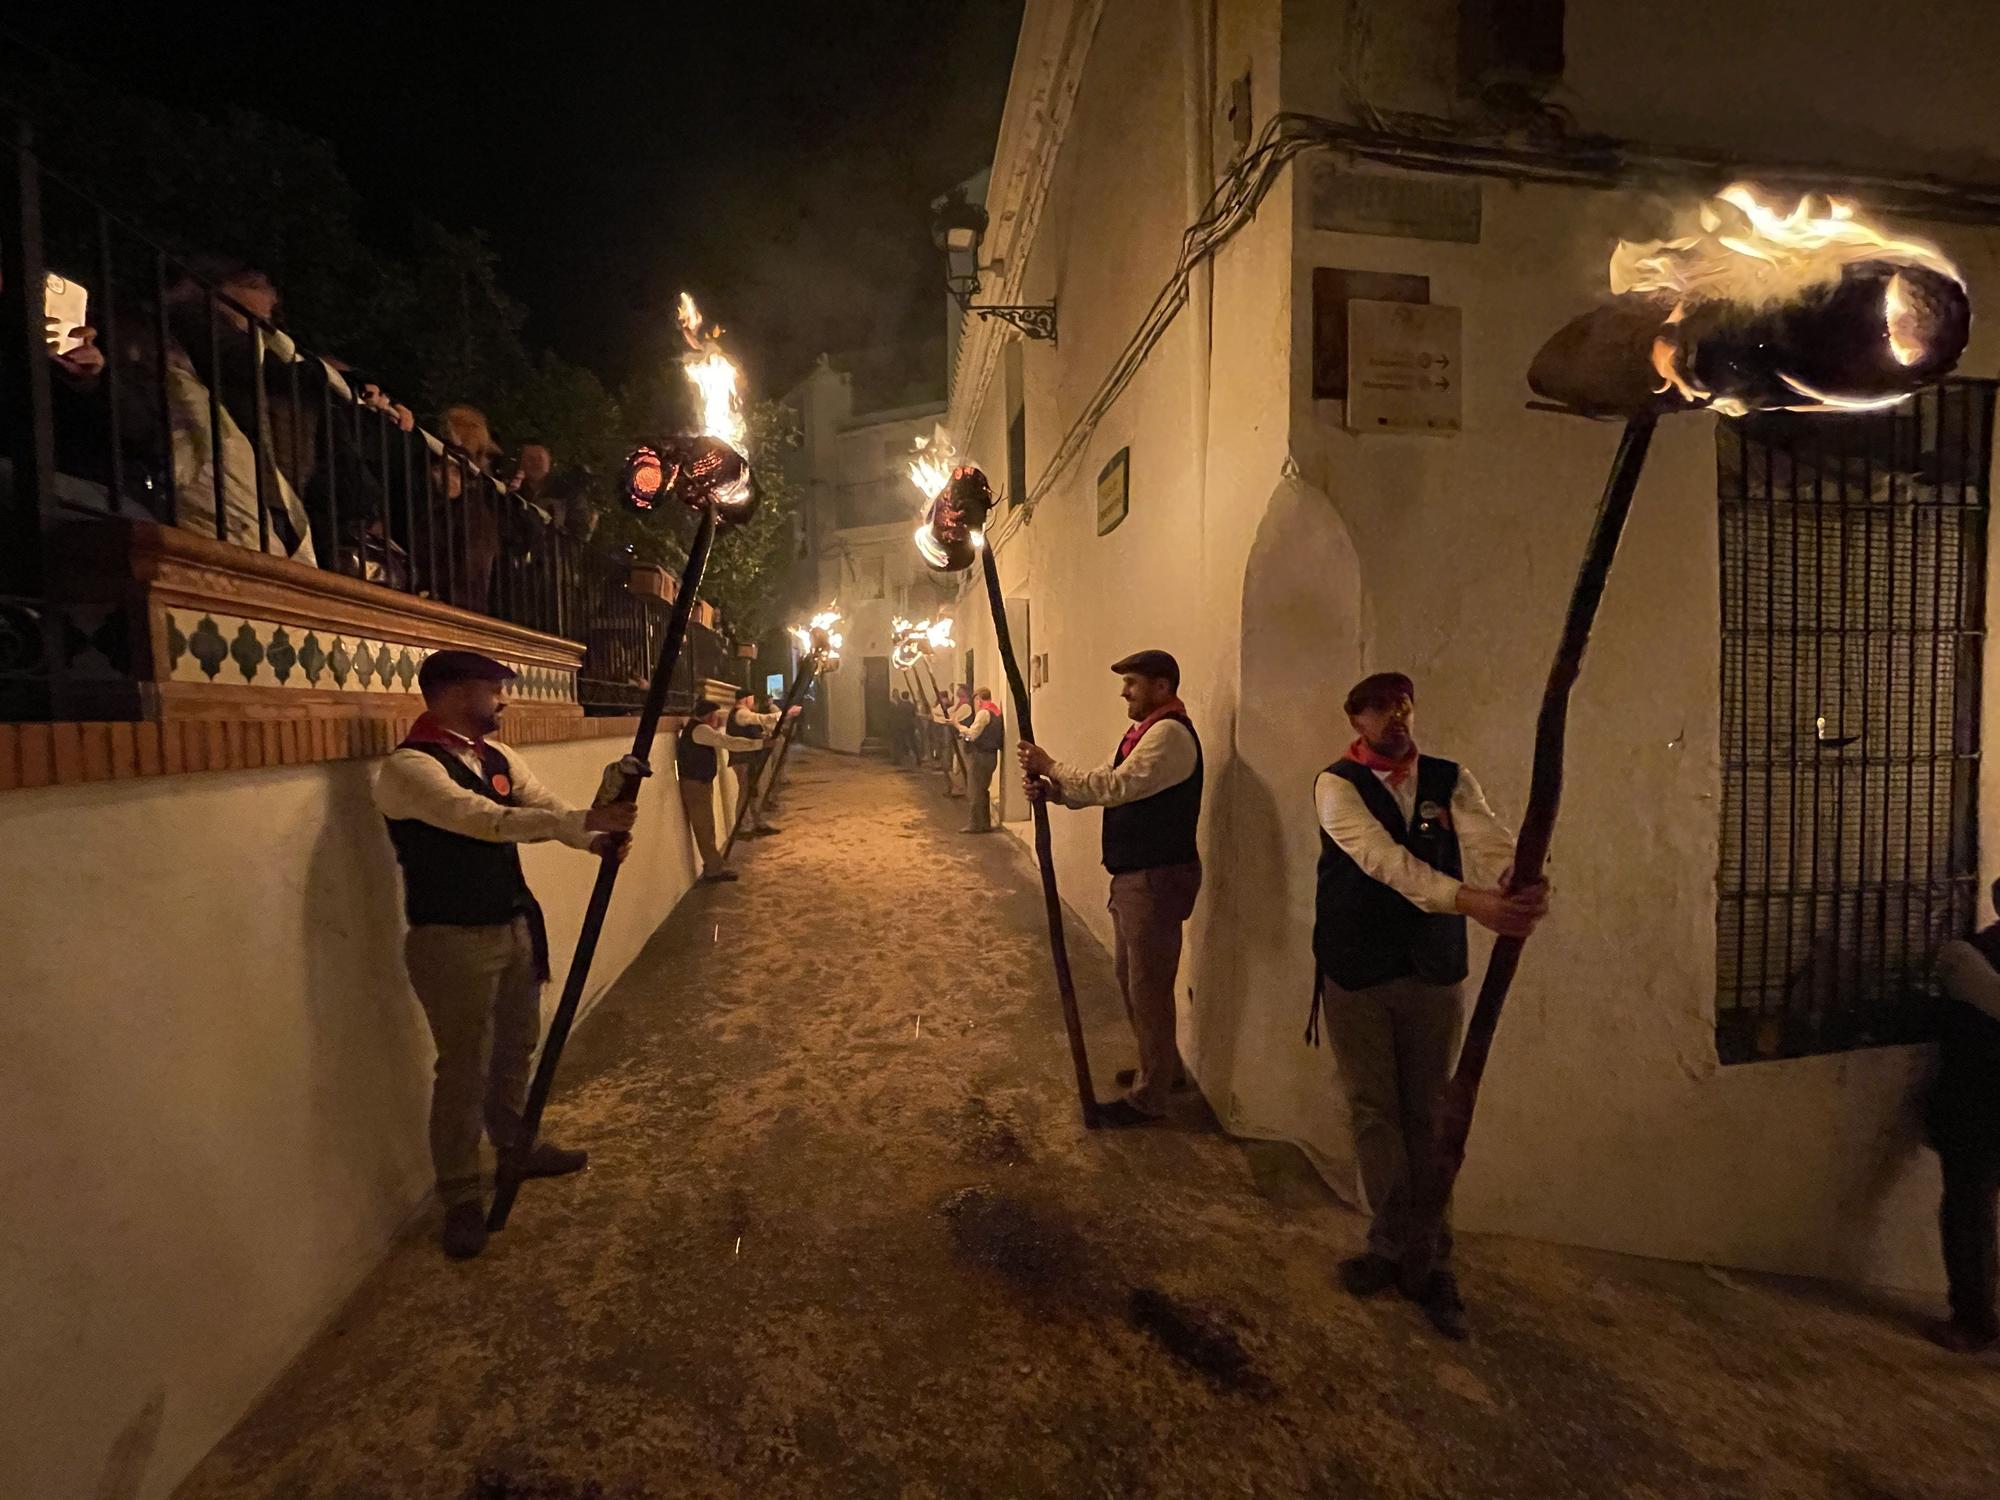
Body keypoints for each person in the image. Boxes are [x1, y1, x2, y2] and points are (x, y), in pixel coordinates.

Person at [372, 649, 641, 1259]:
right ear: (452, 691)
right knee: (464, 1067)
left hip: (514, 922)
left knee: (518, 1042)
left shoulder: (497, 758)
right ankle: (461, 1195)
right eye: (493, 689)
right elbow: (485, 821)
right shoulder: (411, 769)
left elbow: (540, 809)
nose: (504, 699)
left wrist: (593, 837)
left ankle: (518, 1145)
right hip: (451, 936)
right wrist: (582, 820)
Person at [1307, 671, 1547, 1340]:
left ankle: (1433, 1256)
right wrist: (1476, 903)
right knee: (1374, 1111)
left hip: (1433, 970)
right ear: (1356, 719)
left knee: (1431, 1113)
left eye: (1405, 706)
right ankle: (1389, 1244)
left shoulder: (1448, 779)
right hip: (1356, 970)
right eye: (1382, 708)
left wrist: (1511, 875)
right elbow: (1383, 862)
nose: (1398, 718)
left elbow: (1489, 833)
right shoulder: (1336, 786)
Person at [1018, 650, 1203, 1127]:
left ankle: (1151, 1096)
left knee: (1147, 987)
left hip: (1155, 878)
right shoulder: (1144, 733)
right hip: (1137, 876)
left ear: (1162, 687)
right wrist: (1056, 793)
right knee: (1132, 980)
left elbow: (1116, 787)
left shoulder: (1170, 736)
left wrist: (1053, 766)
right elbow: (1109, 788)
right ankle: (1163, 1069)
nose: (1124, 691)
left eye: (1133, 683)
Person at [1927, 893, 2000, 1353]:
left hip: (1976, 1106)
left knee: (1969, 1212)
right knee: (1969, 1211)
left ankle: (1974, 1319)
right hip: (1976, 1106)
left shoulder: (1965, 957)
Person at [677, 698, 769, 882]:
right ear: (710, 715)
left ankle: (714, 865)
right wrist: (759, 745)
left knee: (707, 825)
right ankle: (713, 869)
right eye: (716, 716)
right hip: (696, 784)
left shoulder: (696, 728)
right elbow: (728, 741)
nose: (718, 720)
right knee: (704, 826)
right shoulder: (700, 730)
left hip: (698, 782)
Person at [728, 690, 799, 838]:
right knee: (746, 792)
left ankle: (755, 822)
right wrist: (786, 713)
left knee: (752, 792)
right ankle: (744, 826)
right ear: (746, 699)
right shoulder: (741, 713)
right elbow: (761, 719)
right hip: (743, 759)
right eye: (752, 699)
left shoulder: (742, 713)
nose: (754, 703)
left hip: (748, 758)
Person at [951, 686, 1006, 833]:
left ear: (978, 699)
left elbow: (972, 735)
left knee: (975, 790)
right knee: (983, 789)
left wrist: (959, 727)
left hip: (980, 755)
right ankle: (984, 823)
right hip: (991, 755)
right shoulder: (995, 710)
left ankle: (975, 824)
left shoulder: (983, 713)